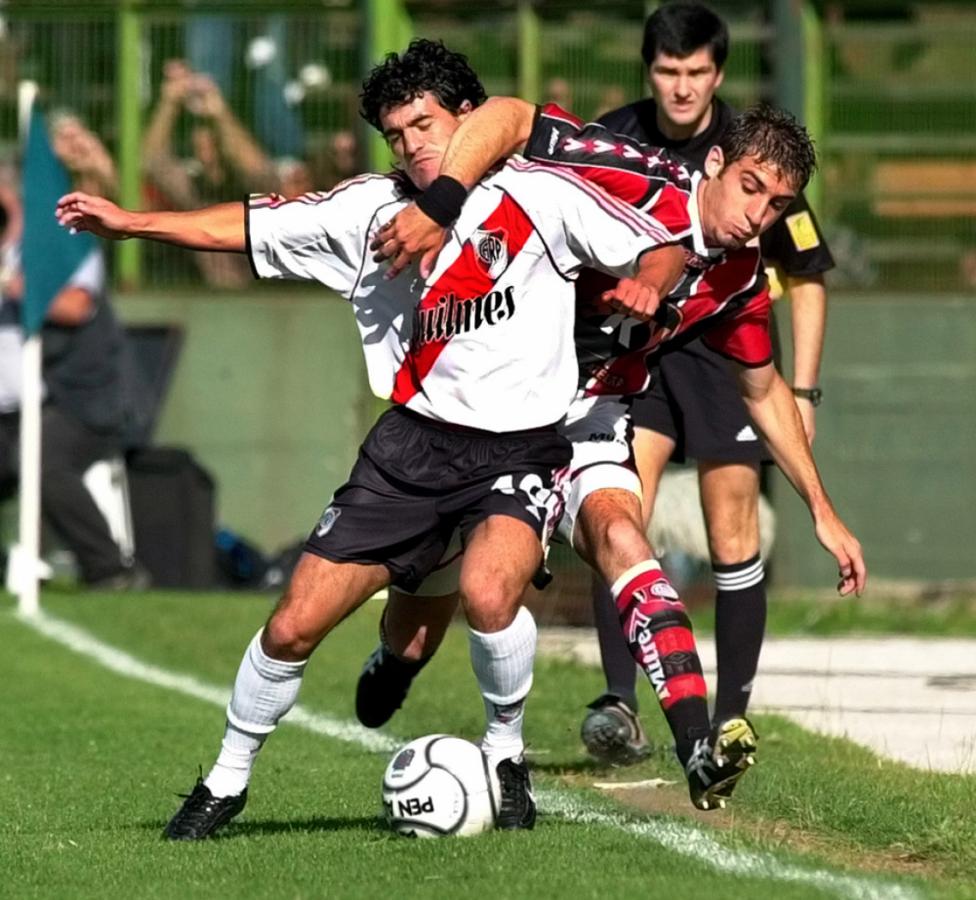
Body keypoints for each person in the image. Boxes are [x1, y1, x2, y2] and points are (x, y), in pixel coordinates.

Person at [57, 39, 688, 838]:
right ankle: (225, 781)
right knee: (295, 625)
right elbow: (247, 225)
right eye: (398, 134)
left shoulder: (543, 195)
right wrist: (134, 222)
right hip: (413, 452)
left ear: (469, 119)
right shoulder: (369, 211)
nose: (415, 145)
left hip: (521, 451)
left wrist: (649, 282)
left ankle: (505, 757)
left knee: (492, 594)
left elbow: (659, 241)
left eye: (426, 124)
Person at [360, 100, 864, 805]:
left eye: (777, 205)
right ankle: (396, 656)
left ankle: (696, 749)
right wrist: (444, 204)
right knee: (418, 624)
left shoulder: (740, 277)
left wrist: (822, 510)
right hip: (489, 410)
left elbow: (763, 389)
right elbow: (508, 117)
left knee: (623, 538)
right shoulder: (631, 173)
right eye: (751, 188)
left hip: (592, 418)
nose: (758, 216)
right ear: (715, 163)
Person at [578, 1, 836, 762]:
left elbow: (809, 276)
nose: (681, 87)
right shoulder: (616, 138)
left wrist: (806, 393)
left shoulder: (755, 157)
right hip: (645, 347)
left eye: (695, 72)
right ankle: (619, 705)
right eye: (667, 71)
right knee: (619, 512)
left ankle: (731, 717)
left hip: (729, 350)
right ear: (649, 72)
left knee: (734, 530)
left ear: (717, 75)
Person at [0, 162, 147, 590]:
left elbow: (75, 306)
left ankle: (110, 569)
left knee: (41, 461)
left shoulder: (66, 248)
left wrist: (14, 282)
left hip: (83, 404)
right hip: (12, 409)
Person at [142, 59, 279, 288]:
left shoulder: (253, 195)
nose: (206, 156)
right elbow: (153, 162)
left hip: (262, 297)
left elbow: (261, 173)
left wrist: (220, 113)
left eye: (213, 146)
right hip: (205, 296)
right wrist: (170, 102)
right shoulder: (195, 192)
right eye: (199, 148)